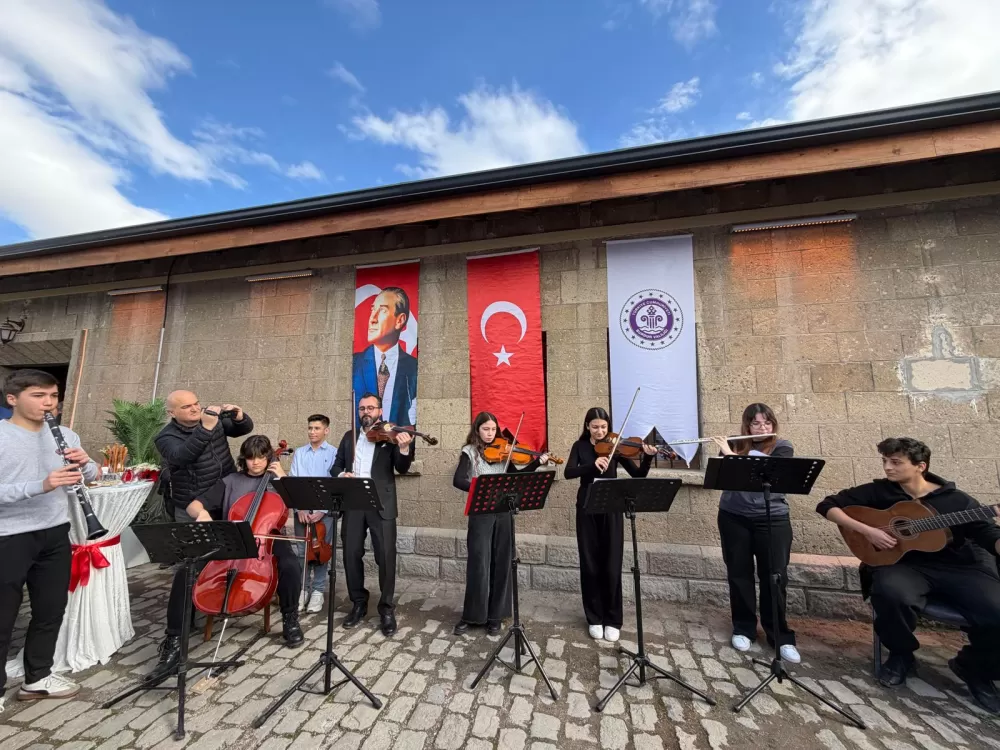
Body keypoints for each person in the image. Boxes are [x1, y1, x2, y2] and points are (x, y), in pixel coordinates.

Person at [817, 437, 1000, 714]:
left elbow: (988, 535)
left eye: (895, 462)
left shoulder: (958, 501)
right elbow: (828, 505)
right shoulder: (881, 492)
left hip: (959, 567)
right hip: (904, 565)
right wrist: (869, 531)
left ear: (920, 466)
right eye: (885, 461)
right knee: (890, 593)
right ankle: (901, 654)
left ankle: (974, 667)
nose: (887, 468)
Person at [145, 436, 305, 684]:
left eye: (261, 457)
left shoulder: (277, 481)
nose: (256, 463)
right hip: (231, 541)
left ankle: (290, 619)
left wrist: (282, 476)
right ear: (244, 459)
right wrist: (203, 513)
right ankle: (174, 640)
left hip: (267, 540)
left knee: (290, 565)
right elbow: (193, 505)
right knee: (184, 572)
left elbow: (300, 504)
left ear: (269, 457)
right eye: (251, 458)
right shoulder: (231, 481)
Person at [0, 369, 99, 707]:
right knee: (3, 616)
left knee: (50, 609)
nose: (48, 403)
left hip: (55, 531)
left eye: (53, 396)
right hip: (8, 535)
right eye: (38, 395)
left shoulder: (66, 435)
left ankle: (37, 677)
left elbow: (92, 475)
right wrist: (40, 485)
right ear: (12, 399)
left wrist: (86, 465)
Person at [148, 391, 253, 681]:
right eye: (187, 407)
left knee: (223, 557)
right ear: (172, 412)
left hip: (224, 495)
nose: (195, 409)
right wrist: (207, 427)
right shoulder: (166, 438)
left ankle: (212, 608)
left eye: (196, 403)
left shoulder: (213, 420)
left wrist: (240, 415)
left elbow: (242, 430)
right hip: (193, 504)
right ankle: (173, 639)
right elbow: (184, 457)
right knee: (189, 569)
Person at [710, 403, 799, 663]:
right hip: (733, 517)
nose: (761, 428)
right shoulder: (737, 444)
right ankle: (744, 629)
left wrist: (732, 455)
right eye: (756, 423)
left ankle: (780, 636)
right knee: (739, 574)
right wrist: (727, 453)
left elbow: (770, 469)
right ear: (747, 425)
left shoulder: (783, 446)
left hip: (772, 518)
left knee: (774, 576)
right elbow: (724, 478)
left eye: (766, 423)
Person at [451, 412, 551, 637]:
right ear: (477, 430)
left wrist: (536, 463)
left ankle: (495, 616)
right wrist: (481, 490)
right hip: (481, 514)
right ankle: (473, 615)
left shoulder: (506, 452)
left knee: (502, 561)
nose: (490, 434)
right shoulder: (469, 452)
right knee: (479, 564)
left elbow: (518, 476)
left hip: (503, 513)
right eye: (485, 429)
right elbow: (458, 480)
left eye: (493, 430)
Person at [564, 407, 657, 642]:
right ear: (587, 426)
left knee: (612, 564)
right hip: (587, 508)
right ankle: (594, 617)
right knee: (590, 563)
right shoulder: (580, 447)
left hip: (612, 508)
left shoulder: (615, 446)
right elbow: (568, 472)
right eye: (595, 427)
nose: (600, 431)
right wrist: (591, 465)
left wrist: (647, 457)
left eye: (603, 427)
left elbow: (638, 476)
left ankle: (613, 619)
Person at [331, 393, 413, 636]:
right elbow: (336, 465)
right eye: (361, 408)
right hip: (354, 501)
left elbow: (402, 467)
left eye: (370, 408)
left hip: (381, 503)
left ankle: (386, 608)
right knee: (351, 554)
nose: (365, 412)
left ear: (379, 410)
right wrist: (341, 475)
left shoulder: (390, 436)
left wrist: (404, 448)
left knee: (386, 557)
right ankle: (358, 603)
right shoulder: (350, 437)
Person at [290, 414, 337, 614]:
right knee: (302, 552)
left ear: (326, 430)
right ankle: (302, 590)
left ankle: (317, 591)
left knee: (321, 553)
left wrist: (322, 511)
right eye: (310, 428)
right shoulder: (300, 453)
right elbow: (293, 482)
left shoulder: (335, 453)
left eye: (317, 428)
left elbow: (334, 485)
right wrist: (299, 508)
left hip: (323, 512)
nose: (312, 432)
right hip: (302, 511)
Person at [351, 287, 417, 427]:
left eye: (382, 311)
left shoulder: (414, 368)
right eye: (372, 310)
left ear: (400, 320)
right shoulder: (354, 363)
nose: (372, 319)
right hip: (362, 444)